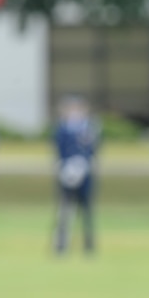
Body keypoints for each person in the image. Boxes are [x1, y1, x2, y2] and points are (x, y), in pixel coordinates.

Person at [52, 95, 100, 255]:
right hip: (67, 173)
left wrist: (84, 164)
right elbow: (58, 150)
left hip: (85, 174)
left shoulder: (90, 128)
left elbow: (93, 150)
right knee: (65, 209)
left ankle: (89, 244)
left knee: (86, 209)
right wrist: (64, 167)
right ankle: (61, 243)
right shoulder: (62, 129)